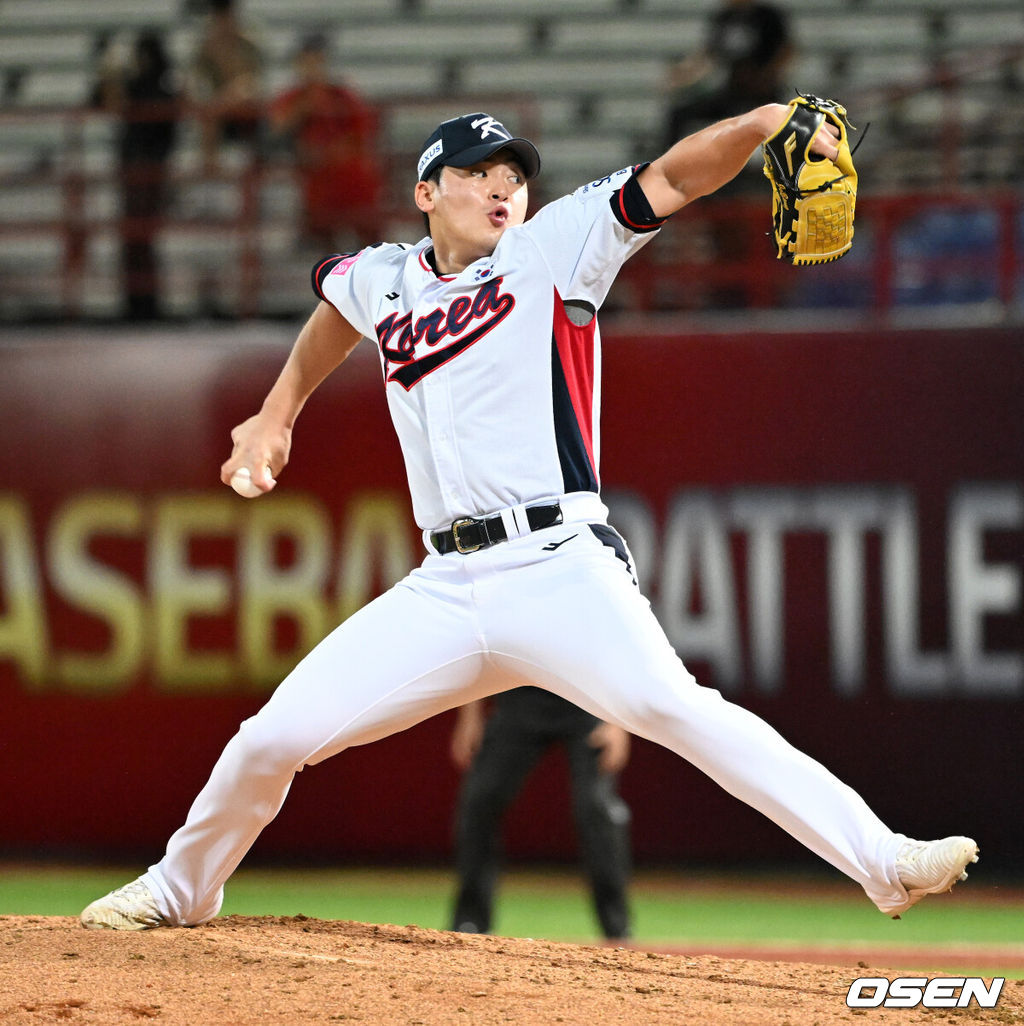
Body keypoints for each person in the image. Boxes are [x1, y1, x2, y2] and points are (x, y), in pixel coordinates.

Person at [80, 104, 978, 933]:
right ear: (426, 193)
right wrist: (277, 414)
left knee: (675, 707)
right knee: (270, 737)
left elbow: (675, 177)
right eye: (477, 172)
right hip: (444, 584)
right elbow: (333, 311)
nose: (502, 185)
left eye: (512, 172)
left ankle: (882, 859)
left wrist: (766, 121)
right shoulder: (386, 279)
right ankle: (181, 889)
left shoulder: (552, 250)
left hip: (558, 562)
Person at [449, 690, 632, 942]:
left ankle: (617, 932)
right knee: (480, 801)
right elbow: (480, 654)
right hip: (521, 699)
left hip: (586, 700)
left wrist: (616, 723)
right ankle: (470, 924)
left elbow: (617, 652)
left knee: (596, 808)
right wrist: (470, 718)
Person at [92, 29, 180, 320]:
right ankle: (136, 303)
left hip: (150, 170)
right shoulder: (139, 84)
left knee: (142, 238)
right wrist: (110, 71)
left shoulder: (162, 86)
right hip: (134, 169)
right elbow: (102, 101)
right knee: (134, 239)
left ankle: (146, 304)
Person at [268, 32, 382, 251]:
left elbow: (362, 135)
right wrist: (303, 109)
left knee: (368, 248)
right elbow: (275, 130)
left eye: (315, 61)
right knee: (327, 253)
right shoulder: (293, 98)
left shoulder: (341, 95)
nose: (310, 68)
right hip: (316, 185)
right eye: (305, 61)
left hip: (350, 181)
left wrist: (327, 153)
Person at [664, 0, 793, 149]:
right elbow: (709, 56)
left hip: (763, 93)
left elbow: (787, 51)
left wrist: (766, 76)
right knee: (680, 115)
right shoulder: (724, 18)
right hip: (732, 91)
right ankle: (669, 165)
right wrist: (683, 76)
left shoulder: (768, 16)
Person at [188, 0, 263, 174]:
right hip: (218, 110)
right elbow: (196, 83)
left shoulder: (247, 45)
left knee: (240, 91)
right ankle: (210, 164)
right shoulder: (205, 48)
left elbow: (251, 83)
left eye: (227, 16)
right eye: (220, 17)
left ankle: (214, 162)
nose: (224, 22)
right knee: (209, 111)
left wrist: (225, 98)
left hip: (245, 107)